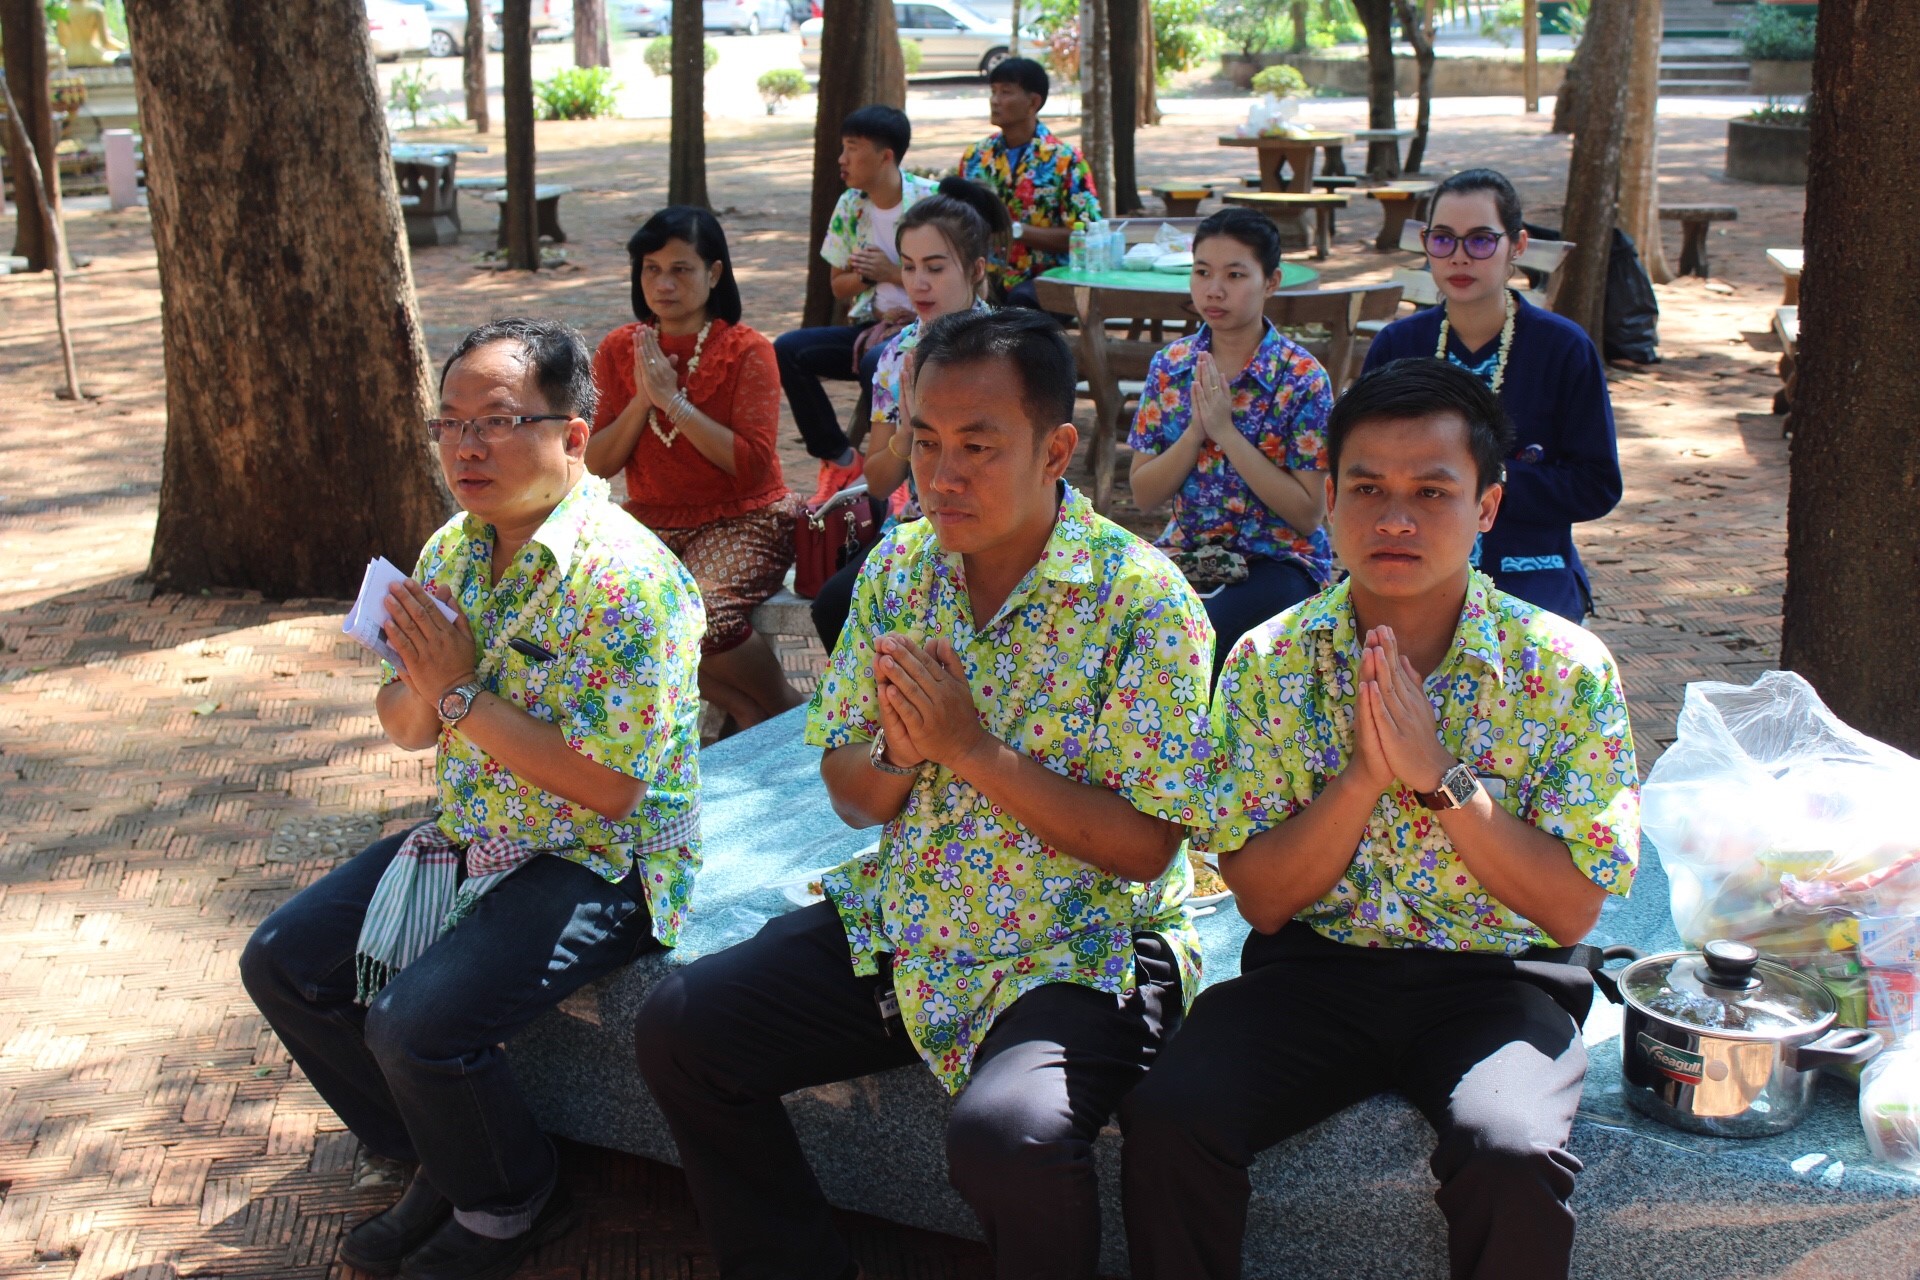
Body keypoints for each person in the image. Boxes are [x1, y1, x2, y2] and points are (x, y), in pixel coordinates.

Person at [634, 309, 1216, 1280]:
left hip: (1083, 944)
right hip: (913, 917)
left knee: (1010, 1135)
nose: (941, 474)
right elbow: (853, 795)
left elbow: (1149, 848)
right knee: (684, 1027)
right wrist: (904, 754)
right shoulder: (902, 569)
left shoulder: (1144, 603)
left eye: (978, 446)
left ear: (1056, 447)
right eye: (923, 439)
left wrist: (972, 748)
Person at [1119, 358, 1641, 1280]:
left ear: (1487, 508)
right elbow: (1267, 903)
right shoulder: (1268, 661)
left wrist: (1440, 777)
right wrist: (1364, 775)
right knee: (1168, 1118)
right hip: (1313, 974)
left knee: (1511, 1152)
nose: (1395, 518)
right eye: (1367, 487)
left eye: (1432, 491)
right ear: (1327, 495)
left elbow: (1570, 913)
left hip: (1498, 980)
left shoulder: (1564, 668)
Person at [240, 318, 706, 1280]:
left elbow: (611, 789)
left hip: (598, 860)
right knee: (284, 963)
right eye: (448, 424)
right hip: (472, 831)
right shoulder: (452, 549)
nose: (466, 448)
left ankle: (510, 1198)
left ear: (574, 436)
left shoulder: (629, 582)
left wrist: (459, 692)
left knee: (414, 1024)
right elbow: (408, 727)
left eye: (495, 422)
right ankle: (436, 1156)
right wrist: (426, 686)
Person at [1361, 168, 1622, 622]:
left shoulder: (1564, 348)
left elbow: (1597, 485)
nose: (1459, 257)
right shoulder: (1397, 347)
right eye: (1443, 240)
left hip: (1527, 564)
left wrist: (1484, 479)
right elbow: (1358, 466)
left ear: (1517, 245)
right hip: (1409, 557)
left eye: (1480, 240)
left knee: (1533, 660)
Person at [588, 205, 806, 731]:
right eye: (650, 269)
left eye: (680, 269)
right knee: (602, 610)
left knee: (702, 611)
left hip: (745, 517)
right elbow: (596, 463)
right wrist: (644, 399)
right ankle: (746, 711)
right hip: (650, 522)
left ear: (713, 273)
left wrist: (675, 402)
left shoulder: (748, 350)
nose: (663, 283)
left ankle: (787, 712)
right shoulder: (621, 348)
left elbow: (751, 468)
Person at [1127, 207, 1334, 680]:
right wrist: (1196, 433)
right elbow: (1144, 493)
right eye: (1202, 273)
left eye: (1235, 274)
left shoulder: (1301, 378)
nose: (1214, 290)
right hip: (1186, 551)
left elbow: (1306, 514)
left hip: (1279, 559)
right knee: (1119, 629)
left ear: (1272, 281)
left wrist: (1226, 433)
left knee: (1204, 642)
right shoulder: (1172, 366)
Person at [808, 175, 1008, 652]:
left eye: (936, 268)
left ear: (976, 268)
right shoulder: (897, 357)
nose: (919, 283)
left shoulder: (1009, 351)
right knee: (836, 604)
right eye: (910, 266)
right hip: (922, 531)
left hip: (1001, 527)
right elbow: (879, 483)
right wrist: (909, 430)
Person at [773, 105, 941, 505]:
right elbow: (838, 285)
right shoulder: (851, 206)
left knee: (878, 363)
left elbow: (948, 274)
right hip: (870, 325)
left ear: (886, 155)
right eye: (842, 149)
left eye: (852, 149)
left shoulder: (930, 202)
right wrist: (870, 276)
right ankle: (840, 456)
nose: (841, 160)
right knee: (789, 350)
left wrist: (890, 270)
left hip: (924, 329)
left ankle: (896, 475)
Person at [957, 56, 1102, 310]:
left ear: (1033, 102)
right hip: (984, 276)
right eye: (993, 92)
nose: (995, 100)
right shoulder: (975, 157)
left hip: (1046, 279)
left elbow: (1087, 234)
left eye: (1006, 92)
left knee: (1020, 304)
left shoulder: (1065, 160)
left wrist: (1014, 230)